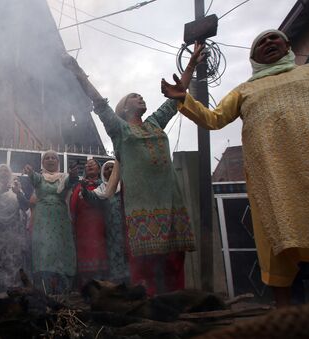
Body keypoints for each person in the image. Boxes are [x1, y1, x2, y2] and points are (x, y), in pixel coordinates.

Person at [161, 30, 309, 307]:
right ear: (254, 57)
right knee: (279, 253)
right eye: (260, 42)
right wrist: (184, 98)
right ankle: (283, 324)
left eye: (273, 38)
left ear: (287, 46)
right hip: (274, 183)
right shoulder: (245, 90)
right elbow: (214, 119)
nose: (268, 43)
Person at [63, 44, 204, 296]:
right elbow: (98, 102)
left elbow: (177, 95)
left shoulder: (155, 123)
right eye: (134, 96)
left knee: (174, 264)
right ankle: (148, 313)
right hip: (141, 208)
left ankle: (179, 313)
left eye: (141, 95)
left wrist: (191, 63)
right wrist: (77, 71)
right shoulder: (119, 130)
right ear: (124, 108)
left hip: (170, 202)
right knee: (145, 271)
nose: (141, 98)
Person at [23, 150, 79, 293]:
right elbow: (33, 178)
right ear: (43, 162)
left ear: (58, 162)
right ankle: (44, 288)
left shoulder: (63, 177)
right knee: (44, 248)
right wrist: (29, 171)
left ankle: (63, 290)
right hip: (42, 218)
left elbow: (70, 182)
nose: (50, 160)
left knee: (61, 249)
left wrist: (73, 175)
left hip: (60, 219)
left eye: (53, 158)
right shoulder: (40, 178)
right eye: (47, 158)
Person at [0, 164, 30, 290]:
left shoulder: (15, 188)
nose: (4, 173)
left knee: (11, 261)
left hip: (12, 233)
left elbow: (25, 206)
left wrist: (18, 192)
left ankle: (12, 288)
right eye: (1, 171)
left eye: (6, 171)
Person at [82, 160, 129, 283]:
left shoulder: (126, 186)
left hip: (127, 229)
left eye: (112, 168)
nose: (110, 170)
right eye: (107, 168)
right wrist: (83, 189)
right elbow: (91, 197)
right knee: (113, 255)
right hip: (111, 231)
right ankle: (117, 284)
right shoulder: (102, 189)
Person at [70, 159, 109, 286]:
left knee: (100, 255)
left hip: (100, 226)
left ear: (99, 169)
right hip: (82, 228)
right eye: (87, 164)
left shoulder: (105, 185)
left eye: (93, 164)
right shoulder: (79, 186)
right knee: (84, 257)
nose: (89, 165)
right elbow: (73, 207)